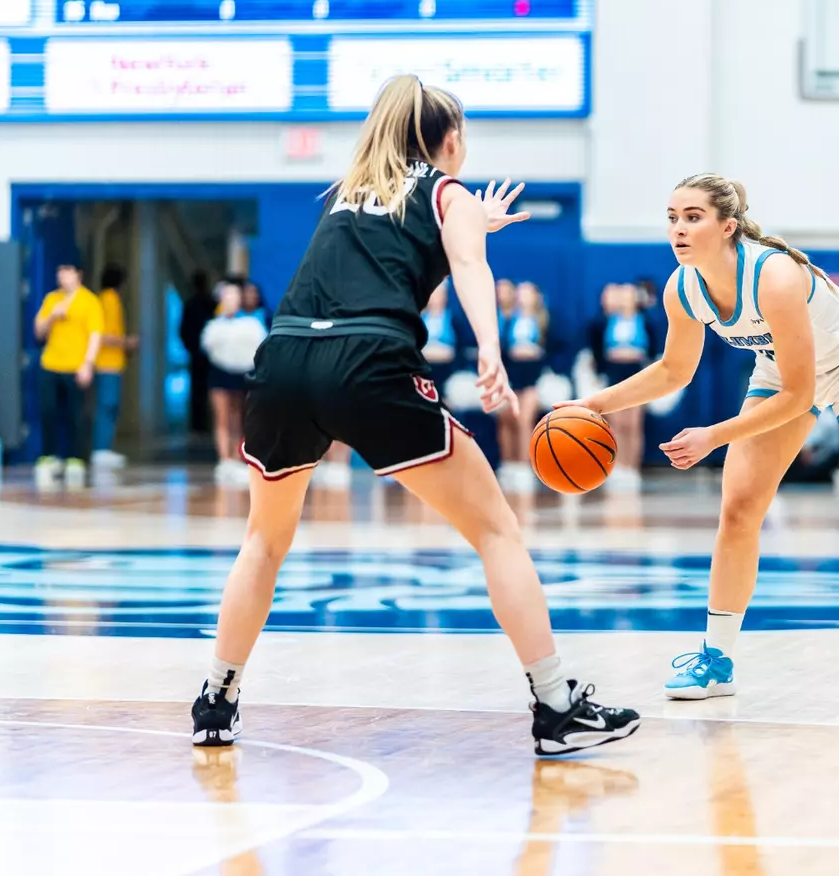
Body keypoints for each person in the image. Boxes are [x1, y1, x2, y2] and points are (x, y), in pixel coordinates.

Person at [192, 74, 637, 756]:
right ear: (451, 141)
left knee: (263, 542)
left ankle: (216, 701)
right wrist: (490, 347)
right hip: (368, 363)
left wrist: (468, 220)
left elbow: (402, 243)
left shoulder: (346, 195)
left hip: (283, 360)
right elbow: (470, 268)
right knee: (496, 531)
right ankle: (554, 708)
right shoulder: (446, 191)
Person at [570, 173, 839, 705]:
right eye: (671, 218)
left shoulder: (773, 275)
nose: (678, 230)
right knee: (738, 510)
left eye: (693, 217)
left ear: (728, 226)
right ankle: (716, 658)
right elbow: (673, 371)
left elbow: (802, 397)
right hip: (782, 371)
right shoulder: (681, 288)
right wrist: (592, 404)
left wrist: (713, 435)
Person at [33, 261, 103, 488]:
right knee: (48, 410)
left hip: (75, 365)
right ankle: (49, 456)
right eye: (59, 271)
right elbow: (39, 331)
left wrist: (88, 364)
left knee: (76, 414)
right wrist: (53, 316)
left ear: (78, 274)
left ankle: (75, 457)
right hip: (51, 363)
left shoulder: (89, 301)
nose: (63, 276)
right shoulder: (52, 300)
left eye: (67, 271)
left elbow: (95, 334)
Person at [201, 281, 268, 486]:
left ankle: (238, 458)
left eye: (234, 296)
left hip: (242, 374)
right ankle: (224, 460)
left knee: (239, 417)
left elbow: (259, 346)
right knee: (221, 417)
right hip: (219, 374)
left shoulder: (252, 323)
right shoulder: (214, 324)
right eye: (226, 296)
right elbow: (207, 345)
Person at [496, 281, 549, 490]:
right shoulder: (509, 320)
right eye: (520, 294)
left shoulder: (544, 320)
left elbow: (556, 348)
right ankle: (508, 464)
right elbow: (502, 348)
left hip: (534, 375)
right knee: (506, 419)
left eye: (527, 294)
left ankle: (524, 465)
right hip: (513, 374)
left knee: (524, 419)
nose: (522, 298)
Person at [600, 283, 652, 490]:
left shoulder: (645, 322)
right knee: (616, 423)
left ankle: (632, 467)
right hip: (614, 373)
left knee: (633, 423)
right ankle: (617, 466)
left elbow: (653, 351)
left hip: (636, 373)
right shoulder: (608, 321)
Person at [91, 263, 137, 471]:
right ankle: (101, 449)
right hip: (107, 363)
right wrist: (127, 342)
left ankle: (103, 448)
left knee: (108, 405)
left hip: (109, 363)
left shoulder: (103, 299)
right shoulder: (110, 300)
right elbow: (104, 335)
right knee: (108, 406)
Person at [179, 271, 216, 437]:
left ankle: (198, 425)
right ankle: (210, 424)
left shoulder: (190, 304)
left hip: (198, 354)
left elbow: (183, 330)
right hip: (212, 355)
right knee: (214, 391)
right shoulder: (212, 303)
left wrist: (191, 347)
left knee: (197, 391)